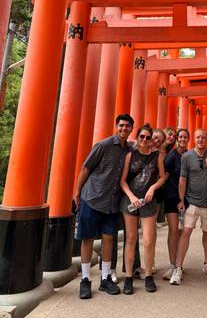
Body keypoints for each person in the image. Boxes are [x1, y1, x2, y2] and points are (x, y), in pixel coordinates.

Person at [74, 113, 134, 300]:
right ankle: (85, 280)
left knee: (109, 239)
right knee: (88, 238)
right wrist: (77, 193)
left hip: (112, 202)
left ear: (131, 128)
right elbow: (85, 168)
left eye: (127, 126)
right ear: (116, 126)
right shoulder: (103, 145)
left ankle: (105, 278)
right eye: (121, 126)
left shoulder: (129, 149)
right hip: (92, 197)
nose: (124, 129)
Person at [120, 124, 167, 295]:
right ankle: (129, 277)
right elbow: (123, 180)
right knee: (131, 239)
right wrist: (131, 196)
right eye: (142, 137)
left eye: (148, 137)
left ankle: (148, 275)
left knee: (148, 240)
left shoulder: (158, 156)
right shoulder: (129, 155)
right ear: (137, 137)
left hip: (148, 201)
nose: (145, 140)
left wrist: (153, 187)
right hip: (130, 200)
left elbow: (162, 178)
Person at [170, 129, 207, 285]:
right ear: (194, 139)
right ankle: (178, 267)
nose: (200, 140)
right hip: (191, 201)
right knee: (186, 232)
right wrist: (181, 200)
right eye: (198, 137)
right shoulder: (187, 156)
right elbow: (182, 180)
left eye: (203, 137)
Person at [162, 128, 190, 280]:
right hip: (172, 196)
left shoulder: (190, 155)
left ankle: (179, 264)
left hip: (186, 198)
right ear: (177, 139)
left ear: (188, 139)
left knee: (182, 232)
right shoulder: (172, 156)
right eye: (180, 137)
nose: (183, 139)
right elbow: (164, 176)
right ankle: (172, 264)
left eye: (185, 137)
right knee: (173, 230)